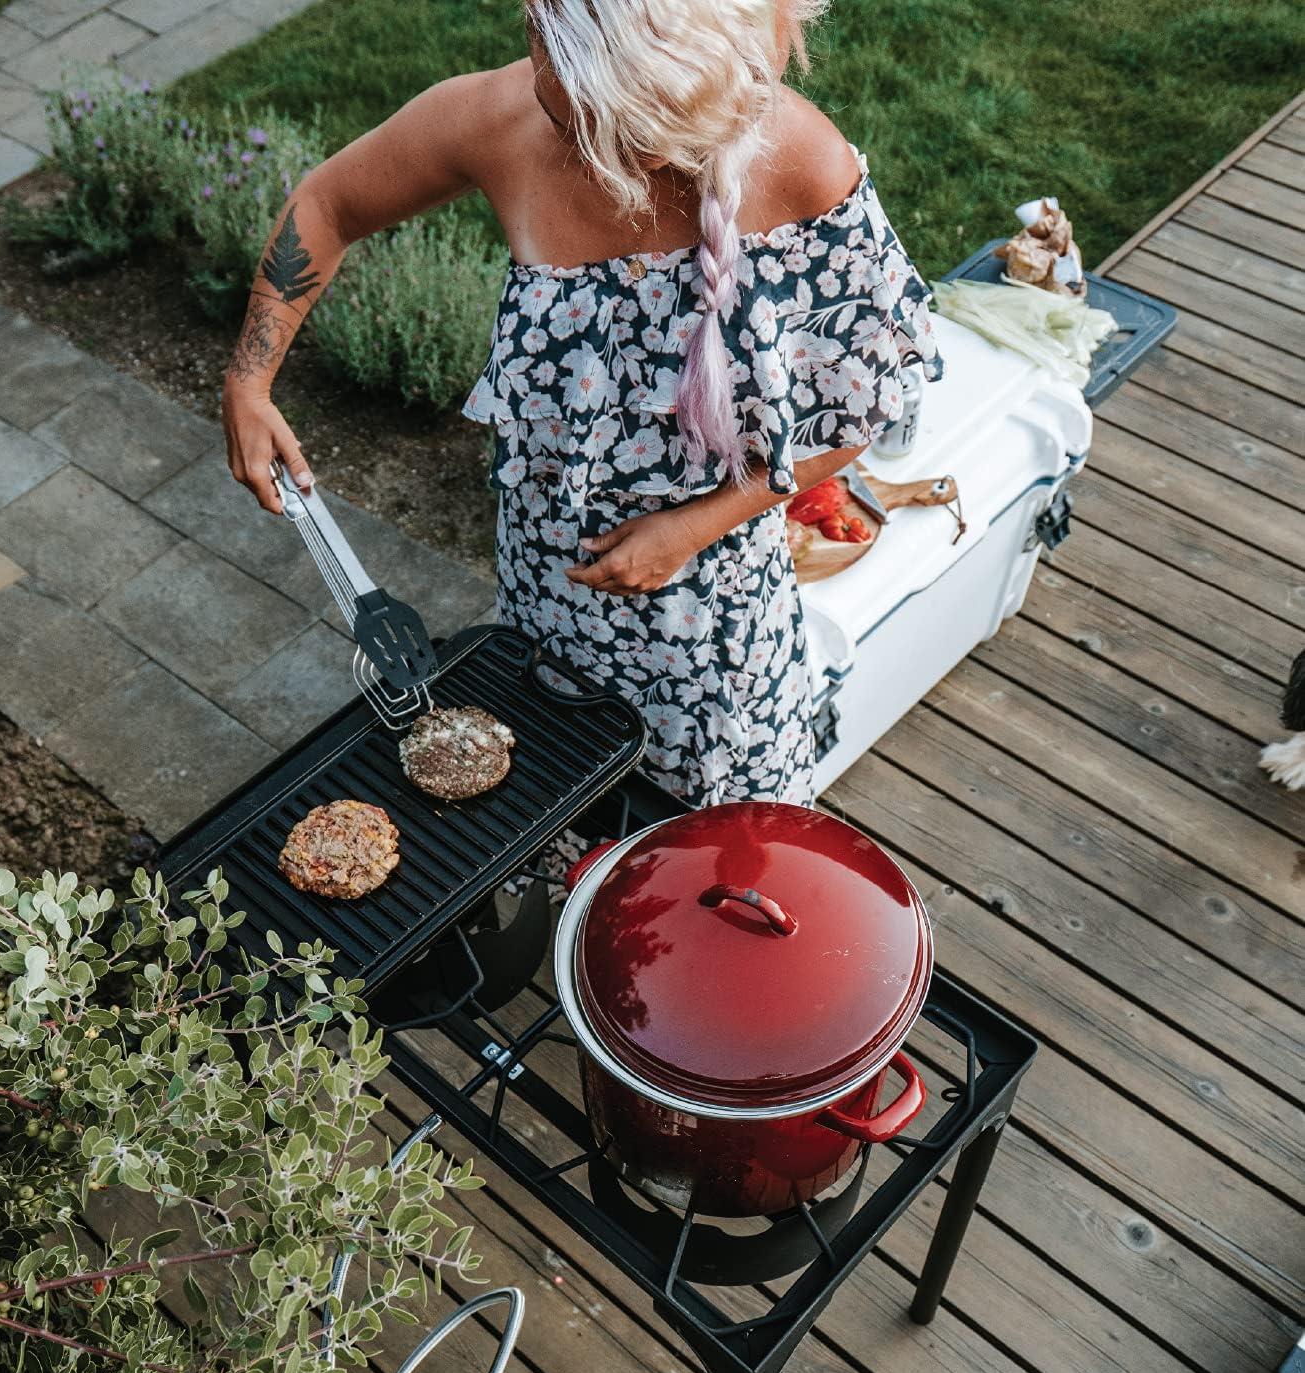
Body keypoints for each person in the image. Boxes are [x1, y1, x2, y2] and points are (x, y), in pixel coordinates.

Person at [223, 0, 942, 807]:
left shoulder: (801, 161)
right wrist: (250, 380)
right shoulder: (507, 114)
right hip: (540, 610)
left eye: (584, 102)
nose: (539, 89)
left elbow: (862, 410)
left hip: (711, 642)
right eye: (538, 49)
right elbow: (328, 205)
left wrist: (689, 529)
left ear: (666, 91)